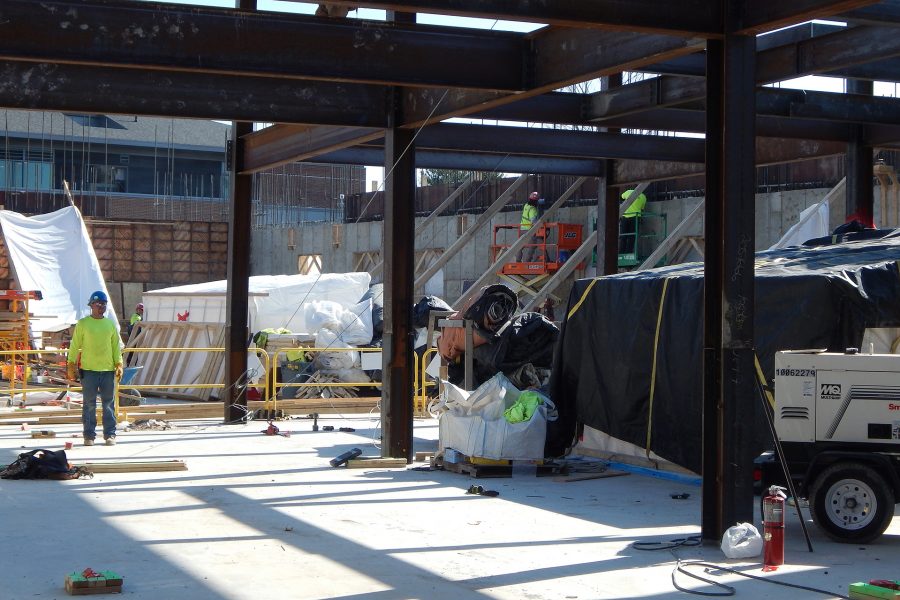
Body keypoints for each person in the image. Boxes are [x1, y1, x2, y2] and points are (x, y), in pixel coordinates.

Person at [67, 291, 123, 446]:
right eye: (98, 304)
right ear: (91, 305)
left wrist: (119, 363)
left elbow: (115, 347)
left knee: (108, 403)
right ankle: (89, 435)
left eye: (103, 304)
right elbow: (75, 345)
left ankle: (110, 435)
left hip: (107, 371)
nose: (101, 307)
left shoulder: (110, 324)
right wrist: (70, 364)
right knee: (89, 403)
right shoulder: (83, 324)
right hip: (89, 371)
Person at [619, 188, 647, 255]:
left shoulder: (628, 192)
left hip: (626, 217)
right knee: (632, 237)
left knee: (623, 236)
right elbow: (642, 209)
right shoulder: (643, 196)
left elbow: (621, 197)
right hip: (636, 218)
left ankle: (621, 254)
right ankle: (629, 253)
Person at [518, 191, 541, 262]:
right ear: (536, 201)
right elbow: (533, 221)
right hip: (529, 230)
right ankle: (527, 262)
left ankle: (518, 261)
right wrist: (541, 224)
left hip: (522, 229)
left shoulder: (526, 206)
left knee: (519, 246)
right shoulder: (533, 209)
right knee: (533, 245)